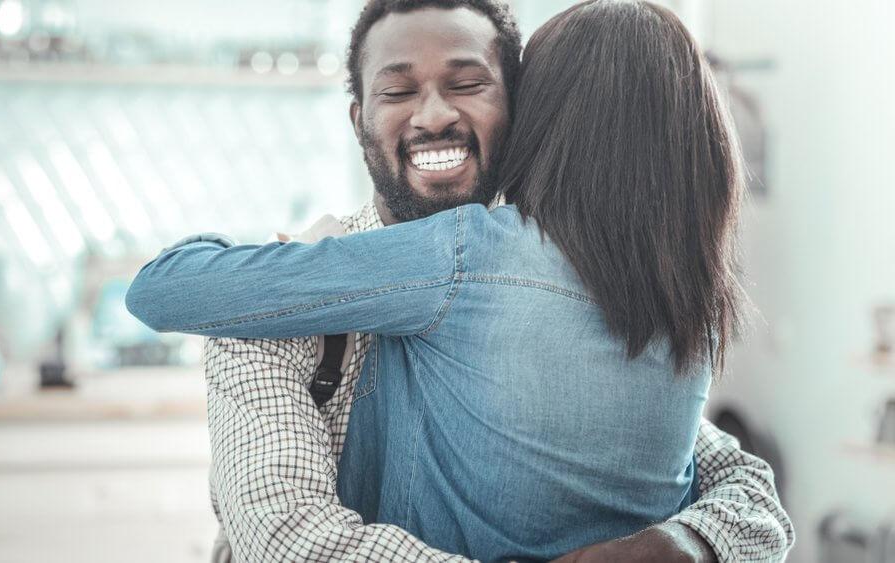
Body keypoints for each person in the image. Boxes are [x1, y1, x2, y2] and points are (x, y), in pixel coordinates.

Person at [129, 1, 794, 561]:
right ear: (358, 120)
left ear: (523, 114)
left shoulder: (495, 263)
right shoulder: (265, 309)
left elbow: (740, 485)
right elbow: (290, 539)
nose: (434, 115)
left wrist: (687, 539)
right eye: (397, 90)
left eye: (468, 83)